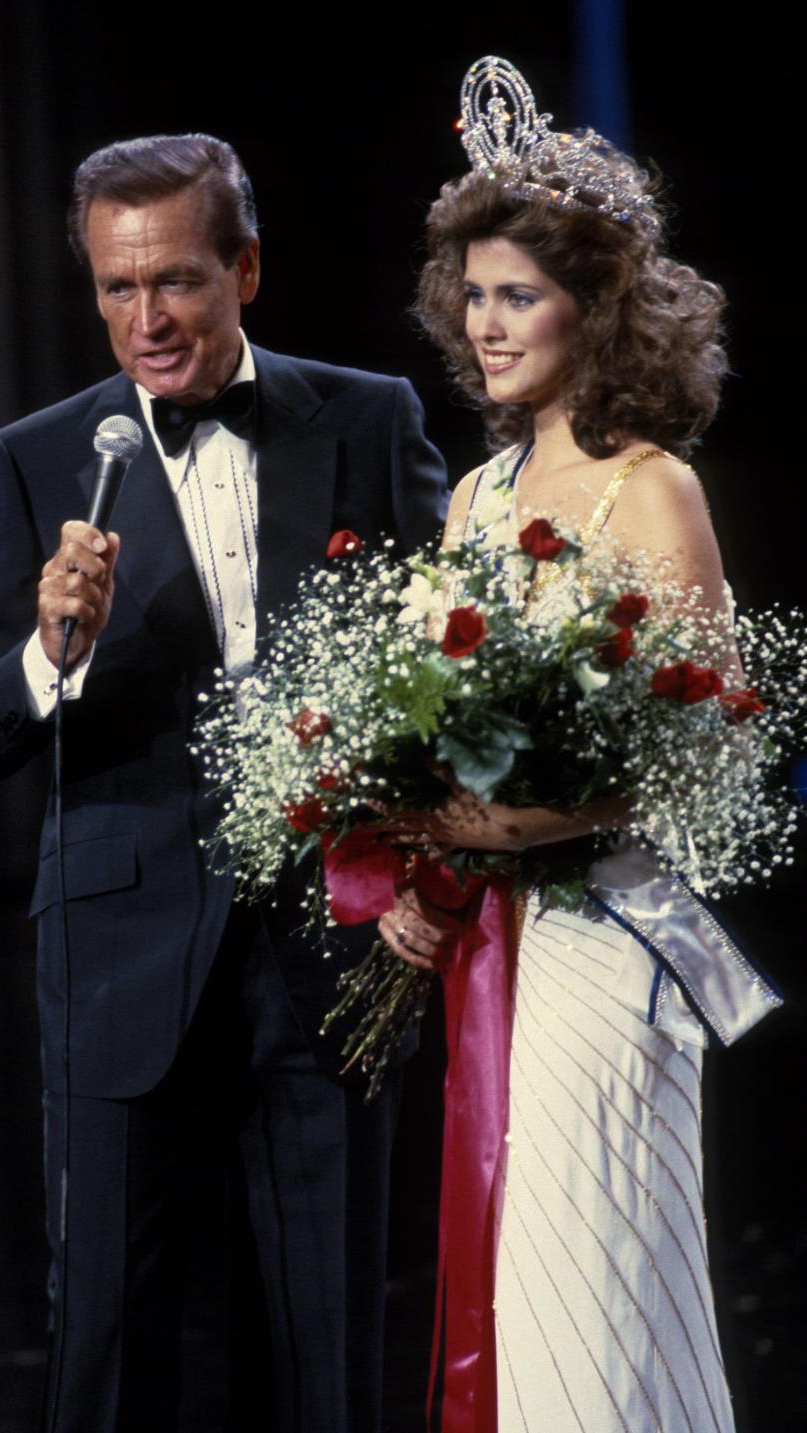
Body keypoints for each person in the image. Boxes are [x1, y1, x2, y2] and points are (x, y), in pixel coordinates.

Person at [0, 132, 448, 1433]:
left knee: (330, 1330)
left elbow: (459, 658)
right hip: (115, 950)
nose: (145, 319)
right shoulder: (38, 456)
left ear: (247, 268)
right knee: (108, 1333)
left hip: (331, 952)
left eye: (175, 281)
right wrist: (52, 655)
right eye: (116, 286)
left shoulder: (371, 416)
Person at [376, 57, 778, 1433]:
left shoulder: (648, 486)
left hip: (611, 940)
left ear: (593, 311)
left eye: (519, 295)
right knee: (520, 1284)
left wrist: (531, 820)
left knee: (599, 1281)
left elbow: (714, 741)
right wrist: (413, 860)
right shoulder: (478, 493)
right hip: (500, 942)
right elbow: (430, 721)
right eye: (473, 293)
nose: (486, 324)